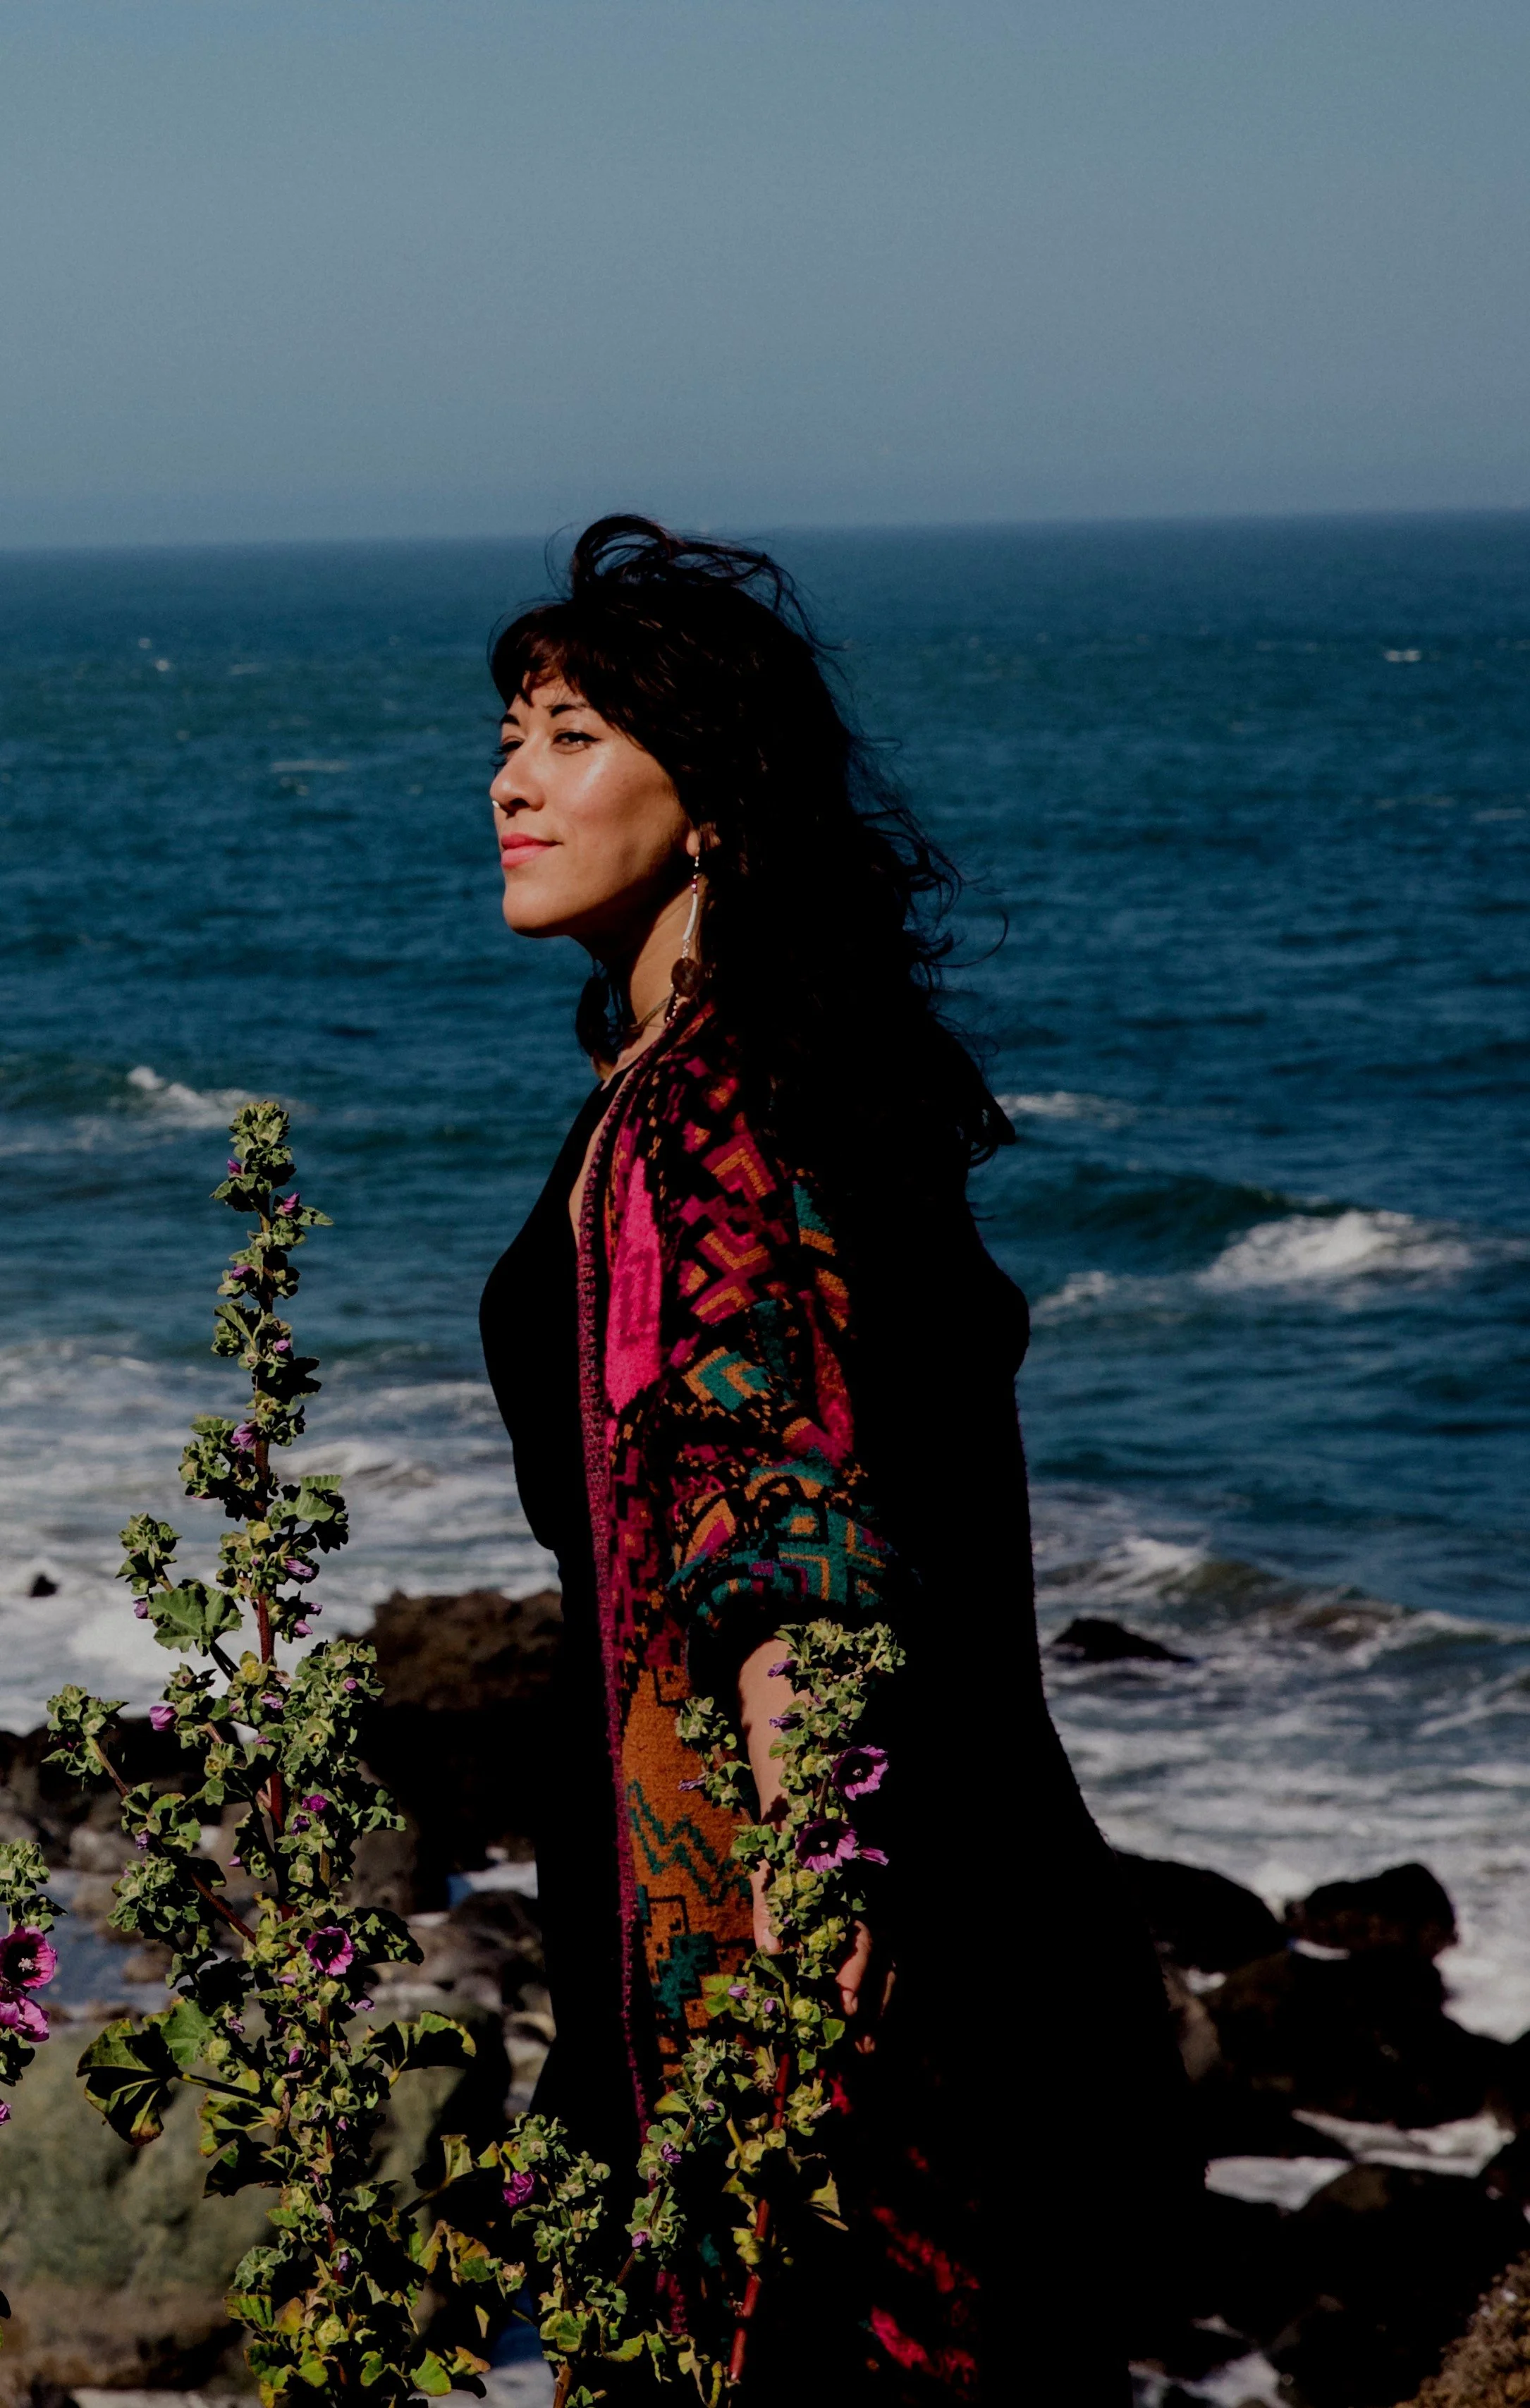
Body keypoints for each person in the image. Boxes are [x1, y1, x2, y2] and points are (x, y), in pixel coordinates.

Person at [479, 517, 1193, 2403]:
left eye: (573, 737)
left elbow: (775, 1523)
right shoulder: (742, 1077)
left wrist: (806, 1918)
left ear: (709, 800)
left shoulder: (708, 1111)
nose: (512, 782)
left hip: (800, 1948)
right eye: (511, 736)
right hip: (928, 1898)